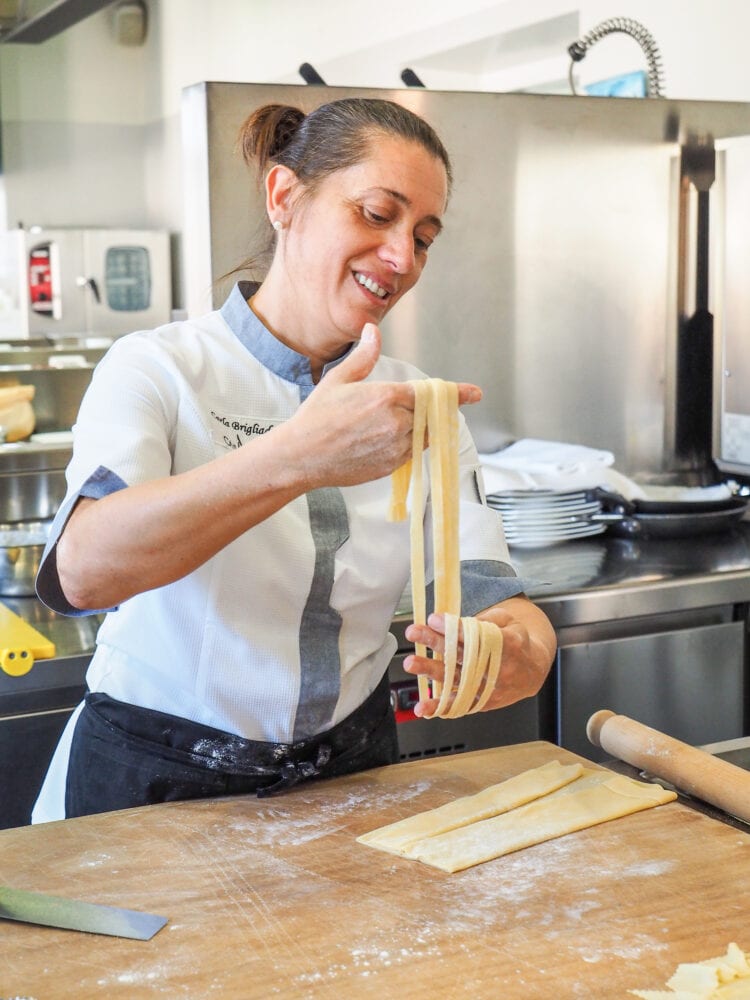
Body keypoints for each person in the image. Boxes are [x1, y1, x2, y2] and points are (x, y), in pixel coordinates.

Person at [32, 97, 556, 823]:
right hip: (153, 780)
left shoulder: (419, 406)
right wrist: (298, 457)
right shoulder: (159, 370)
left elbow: (493, 595)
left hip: (349, 779)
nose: (403, 258)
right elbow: (83, 572)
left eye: (424, 235)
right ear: (285, 196)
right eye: (377, 214)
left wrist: (523, 649)